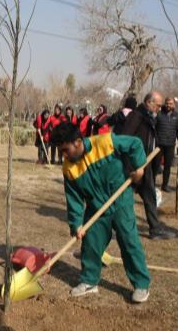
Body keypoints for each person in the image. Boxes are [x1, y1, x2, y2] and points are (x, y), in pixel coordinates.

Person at [51, 123, 151, 303]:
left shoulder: (105, 142)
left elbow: (135, 144)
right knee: (91, 243)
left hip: (120, 200)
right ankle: (89, 281)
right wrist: (76, 224)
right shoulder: (69, 168)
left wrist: (139, 168)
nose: (64, 155)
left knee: (129, 241)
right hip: (95, 206)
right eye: (61, 151)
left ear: (78, 142)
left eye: (65, 150)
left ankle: (141, 285)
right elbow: (73, 198)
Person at [122, 91, 176, 240]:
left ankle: (155, 229)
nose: (160, 108)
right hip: (133, 167)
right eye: (158, 105)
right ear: (149, 103)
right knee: (122, 197)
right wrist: (132, 165)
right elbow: (125, 140)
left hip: (145, 165)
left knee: (150, 196)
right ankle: (114, 226)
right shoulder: (136, 116)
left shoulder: (148, 118)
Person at [155, 97, 178, 192]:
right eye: (167, 103)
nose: (168, 105)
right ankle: (151, 184)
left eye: (170, 103)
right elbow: (154, 128)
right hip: (159, 145)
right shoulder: (159, 114)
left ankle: (165, 185)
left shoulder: (177, 116)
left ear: (174, 104)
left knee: (167, 166)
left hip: (170, 145)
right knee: (155, 165)